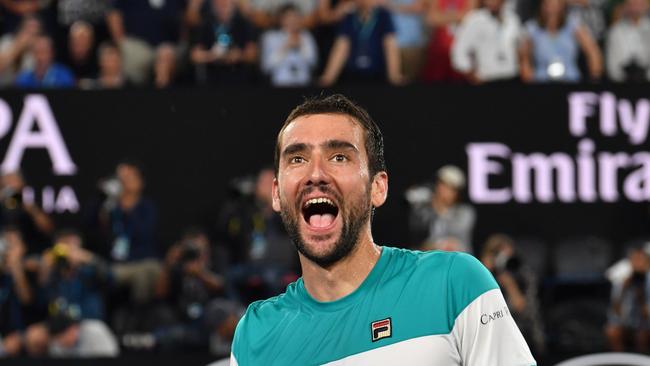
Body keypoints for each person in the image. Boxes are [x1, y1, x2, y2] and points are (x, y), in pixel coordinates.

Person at [229, 94, 535, 365]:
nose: (316, 173)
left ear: (378, 187)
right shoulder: (255, 335)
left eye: (339, 157)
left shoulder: (455, 283)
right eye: (298, 158)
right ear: (276, 194)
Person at [480, 234, 545, 354]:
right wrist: (485, 272)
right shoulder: (485, 275)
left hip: (524, 337)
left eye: (506, 251)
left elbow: (524, 310)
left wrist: (510, 284)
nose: (503, 257)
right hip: (492, 340)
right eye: (498, 253)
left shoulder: (525, 275)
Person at [319, 0, 403, 85]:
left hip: (378, 77)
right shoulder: (349, 17)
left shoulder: (383, 16)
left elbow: (390, 46)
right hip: (351, 77)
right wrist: (329, 77)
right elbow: (341, 47)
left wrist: (394, 75)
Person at [519, 0, 602, 82]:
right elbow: (524, 58)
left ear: (562, 6)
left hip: (570, 81)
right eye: (548, 4)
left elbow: (592, 51)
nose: (552, 8)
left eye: (556, 4)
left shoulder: (574, 26)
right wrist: (529, 83)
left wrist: (595, 78)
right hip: (541, 82)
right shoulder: (532, 29)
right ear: (542, 5)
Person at [406, 165, 476, 252]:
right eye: (442, 184)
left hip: (458, 262)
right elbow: (416, 236)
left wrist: (437, 206)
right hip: (431, 261)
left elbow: (452, 242)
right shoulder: (424, 211)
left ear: (457, 192)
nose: (443, 190)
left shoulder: (465, 212)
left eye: (450, 188)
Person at [451, 0, 522, 83]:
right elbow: (459, 52)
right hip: (487, 78)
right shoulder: (475, 20)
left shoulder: (512, 19)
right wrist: (472, 76)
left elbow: (520, 47)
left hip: (512, 77)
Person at [189, 0, 258, 84]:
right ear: (213, 5)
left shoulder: (243, 23)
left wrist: (239, 55)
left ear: (233, 4)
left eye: (226, 4)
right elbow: (195, 56)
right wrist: (212, 55)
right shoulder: (205, 24)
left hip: (238, 75)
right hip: (212, 76)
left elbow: (252, 55)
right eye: (220, 4)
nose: (223, 7)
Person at [605, 245, 650, 352]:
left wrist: (641, 296)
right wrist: (623, 289)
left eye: (640, 260)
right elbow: (615, 309)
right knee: (612, 331)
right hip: (625, 321)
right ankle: (620, 361)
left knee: (643, 335)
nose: (637, 264)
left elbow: (646, 314)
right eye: (634, 260)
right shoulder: (621, 279)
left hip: (645, 323)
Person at [261, 4, 318, 87]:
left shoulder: (306, 36)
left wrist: (302, 45)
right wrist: (285, 47)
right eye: (289, 17)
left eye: (296, 16)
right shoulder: (271, 37)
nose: (293, 20)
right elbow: (266, 66)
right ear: (281, 19)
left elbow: (313, 62)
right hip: (280, 84)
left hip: (304, 83)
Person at [421, 0, 476, 82]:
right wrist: (458, 16)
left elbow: (471, 17)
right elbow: (431, 18)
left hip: (462, 51)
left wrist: (443, 16)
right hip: (439, 50)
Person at [605, 0, 650, 82]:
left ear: (646, 6)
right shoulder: (615, 31)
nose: (635, 9)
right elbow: (612, 67)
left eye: (639, 4)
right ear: (625, 6)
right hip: (622, 85)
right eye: (632, 4)